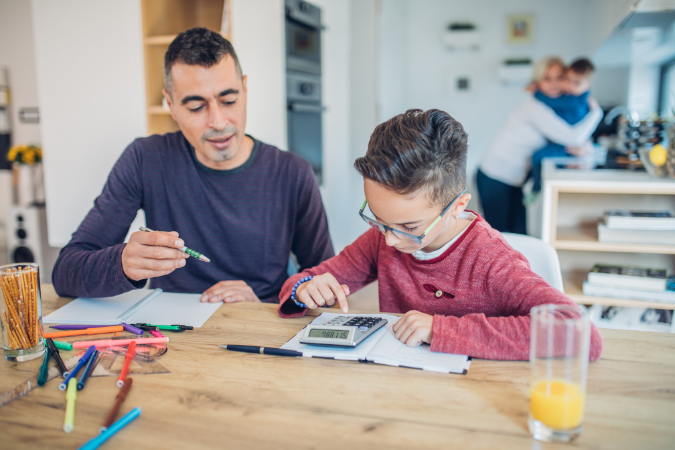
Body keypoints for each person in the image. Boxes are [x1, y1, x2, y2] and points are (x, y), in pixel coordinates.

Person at [276, 109, 603, 361]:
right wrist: (306, 289)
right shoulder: (384, 237)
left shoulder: (490, 259)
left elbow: (580, 333)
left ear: (457, 205)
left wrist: (440, 329)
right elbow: (299, 283)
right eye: (377, 219)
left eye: (410, 227)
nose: (389, 240)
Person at [52, 27, 334, 303]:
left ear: (245, 89)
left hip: (259, 331)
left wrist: (266, 304)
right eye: (196, 108)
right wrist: (122, 263)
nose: (218, 122)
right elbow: (65, 272)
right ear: (171, 105)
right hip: (172, 335)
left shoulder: (292, 172)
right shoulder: (145, 159)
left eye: (229, 100)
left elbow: (327, 282)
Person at [477, 56, 603, 234]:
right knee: (499, 238)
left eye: (559, 77)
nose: (553, 84)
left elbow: (573, 135)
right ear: (538, 81)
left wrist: (588, 147)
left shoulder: (554, 107)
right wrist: (597, 113)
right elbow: (573, 137)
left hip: (514, 180)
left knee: (517, 237)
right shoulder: (535, 106)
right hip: (495, 176)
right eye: (547, 78)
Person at [528, 58, 597, 196]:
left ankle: (536, 188)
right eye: (568, 79)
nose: (570, 86)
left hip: (567, 145)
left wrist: (535, 92)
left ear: (587, 85)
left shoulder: (574, 100)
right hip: (568, 143)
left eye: (576, 83)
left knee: (538, 156)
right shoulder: (577, 97)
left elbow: (551, 102)